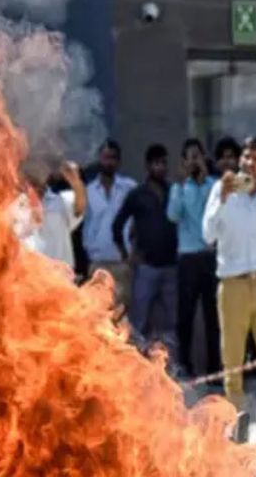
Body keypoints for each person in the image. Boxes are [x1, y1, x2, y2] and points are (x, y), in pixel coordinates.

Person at [203, 136, 256, 411]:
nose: (250, 163)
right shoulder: (221, 189)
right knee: (233, 360)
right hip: (233, 284)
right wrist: (225, 199)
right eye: (247, 157)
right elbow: (208, 234)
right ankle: (234, 418)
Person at [113, 144, 179, 354]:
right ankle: (135, 364)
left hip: (171, 266)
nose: (160, 167)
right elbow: (117, 225)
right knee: (138, 321)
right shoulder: (137, 194)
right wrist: (126, 254)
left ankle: (172, 368)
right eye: (156, 163)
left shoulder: (173, 191)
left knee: (172, 322)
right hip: (146, 268)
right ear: (148, 166)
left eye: (163, 163)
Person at [167, 138, 220, 377]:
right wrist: (182, 184)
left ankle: (214, 368)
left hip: (210, 256)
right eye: (190, 157)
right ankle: (185, 365)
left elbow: (218, 213)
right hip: (188, 258)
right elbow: (173, 215)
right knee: (185, 315)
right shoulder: (179, 187)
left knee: (213, 316)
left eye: (198, 156)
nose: (194, 161)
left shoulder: (214, 185)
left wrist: (205, 181)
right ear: (184, 161)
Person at [83, 140, 137, 309]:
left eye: (113, 158)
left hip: (121, 263)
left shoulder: (130, 188)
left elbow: (138, 221)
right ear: (100, 159)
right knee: (97, 315)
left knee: (120, 316)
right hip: (97, 262)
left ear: (119, 161)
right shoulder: (88, 191)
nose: (109, 162)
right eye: (106, 157)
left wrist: (132, 253)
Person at [12, 160, 86, 270]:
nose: (33, 177)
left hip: (59, 275)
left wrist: (75, 182)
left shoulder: (61, 200)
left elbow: (79, 208)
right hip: (28, 275)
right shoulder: (14, 207)